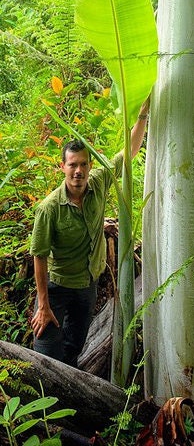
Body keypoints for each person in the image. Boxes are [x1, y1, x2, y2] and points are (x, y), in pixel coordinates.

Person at [28, 104, 147, 367]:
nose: (78, 171)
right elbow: (39, 256)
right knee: (45, 355)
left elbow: (129, 152)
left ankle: (70, 397)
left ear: (90, 165)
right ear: (63, 167)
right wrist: (44, 305)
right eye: (72, 165)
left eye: (83, 164)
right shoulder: (49, 208)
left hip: (87, 286)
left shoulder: (100, 181)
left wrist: (142, 113)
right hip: (57, 287)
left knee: (73, 348)